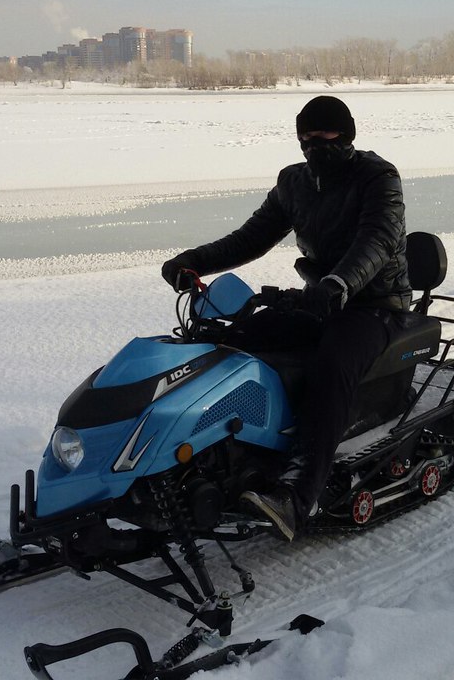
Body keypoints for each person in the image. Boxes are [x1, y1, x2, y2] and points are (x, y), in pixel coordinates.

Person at [160, 95, 411, 541]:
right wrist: (193, 260)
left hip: (374, 304)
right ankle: (228, 456)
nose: (316, 143)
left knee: (330, 366)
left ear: (348, 134)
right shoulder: (293, 182)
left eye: (326, 133)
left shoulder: (378, 177)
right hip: (320, 299)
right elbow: (252, 237)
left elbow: (378, 240)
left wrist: (338, 285)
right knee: (239, 337)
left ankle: (296, 496)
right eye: (307, 135)